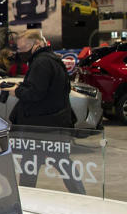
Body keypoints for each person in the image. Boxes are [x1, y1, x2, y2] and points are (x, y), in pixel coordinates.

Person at [9, 29, 85, 194]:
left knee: (32, 164)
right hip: (53, 123)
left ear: (36, 44)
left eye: (22, 49)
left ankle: (27, 197)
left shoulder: (41, 62)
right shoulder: (51, 60)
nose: (21, 53)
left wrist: (17, 91)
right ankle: (80, 195)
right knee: (54, 162)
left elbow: (35, 93)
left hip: (42, 126)